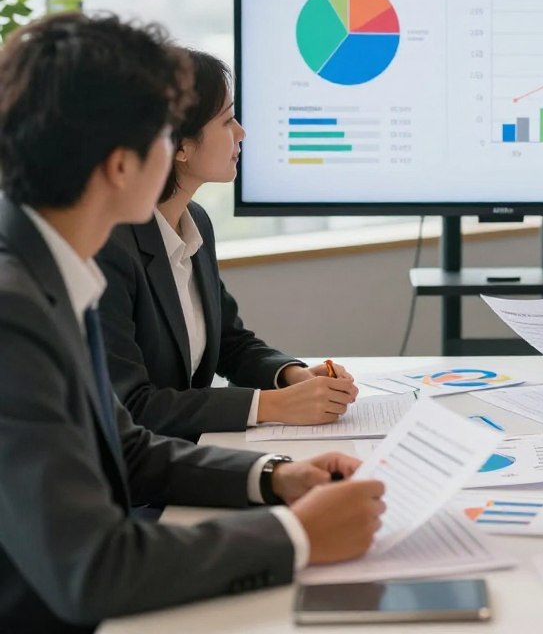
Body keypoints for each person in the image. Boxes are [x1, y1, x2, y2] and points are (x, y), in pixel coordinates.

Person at [0, 13, 385, 633]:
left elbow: (123, 447)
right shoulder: (14, 313)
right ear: (123, 165)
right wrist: (296, 536)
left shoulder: (50, 270)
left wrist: (276, 479)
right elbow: (93, 570)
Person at [97, 49, 356, 441]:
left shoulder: (194, 220)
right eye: (227, 120)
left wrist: (291, 376)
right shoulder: (110, 247)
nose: (241, 132)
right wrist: (272, 406)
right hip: (136, 484)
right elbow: (132, 406)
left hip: (186, 456)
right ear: (179, 146)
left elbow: (230, 344)